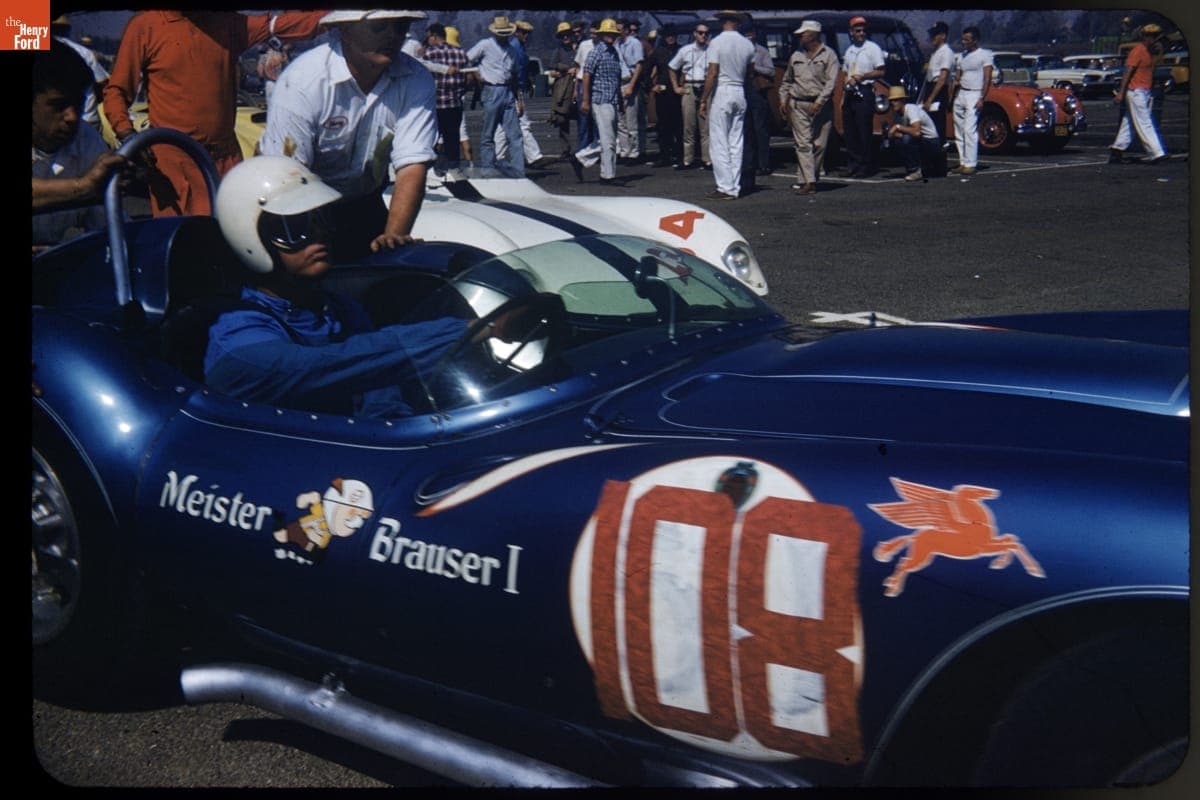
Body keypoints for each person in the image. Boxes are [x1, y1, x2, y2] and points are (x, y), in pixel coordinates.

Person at [204, 156, 538, 419]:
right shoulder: (238, 341)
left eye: (321, 220)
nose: (318, 235)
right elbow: (334, 364)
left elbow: (378, 395)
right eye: (294, 228)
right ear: (251, 239)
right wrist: (476, 330)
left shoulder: (334, 308)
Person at [103, 9, 327, 217]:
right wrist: (129, 136)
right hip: (173, 169)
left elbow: (280, 24)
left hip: (226, 162)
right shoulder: (146, 25)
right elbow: (116, 92)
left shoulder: (227, 22)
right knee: (181, 238)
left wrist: (338, 17)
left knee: (235, 234)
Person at [259, 10, 437, 262]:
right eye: (379, 26)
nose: (392, 35)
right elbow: (287, 176)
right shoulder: (303, 81)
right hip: (300, 204)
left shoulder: (416, 78)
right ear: (345, 29)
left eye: (400, 26)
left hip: (365, 202)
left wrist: (393, 237)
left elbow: (412, 165)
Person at [32, 43, 129, 252]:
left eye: (78, 104)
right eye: (59, 105)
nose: (72, 117)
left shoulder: (86, 140)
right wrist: (84, 188)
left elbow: (111, 227)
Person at [699, 10, 755, 200]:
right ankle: (734, 185)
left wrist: (703, 99)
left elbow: (712, 73)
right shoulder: (747, 44)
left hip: (723, 90)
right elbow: (750, 72)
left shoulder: (717, 42)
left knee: (719, 141)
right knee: (735, 141)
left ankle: (725, 187)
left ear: (724, 22)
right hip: (740, 90)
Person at [779, 19, 838, 196]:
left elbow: (831, 83)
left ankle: (808, 178)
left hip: (821, 105)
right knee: (803, 143)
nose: (800, 37)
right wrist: (783, 100)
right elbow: (787, 81)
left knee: (819, 144)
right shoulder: (796, 55)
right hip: (798, 103)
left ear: (813, 35)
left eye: (803, 33)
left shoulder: (829, 55)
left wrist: (819, 102)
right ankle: (809, 182)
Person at [466, 16, 525, 178]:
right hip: (491, 90)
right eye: (501, 33)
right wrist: (476, 74)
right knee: (488, 134)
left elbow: (514, 76)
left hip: (507, 91)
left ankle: (519, 171)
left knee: (515, 135)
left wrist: (519, 99)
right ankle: (487, 169)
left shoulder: (512, 51)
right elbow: (467, 59)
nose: (504, 36)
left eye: (506, 33)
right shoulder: (485, 45)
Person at [566, 18, 623, 184]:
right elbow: (586, 75)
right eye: (608, 33)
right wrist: (585, 100)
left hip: (612, 99)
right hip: (600, 99)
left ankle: (581, 158)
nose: (611, 37)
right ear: (601, 34)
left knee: (611, 139)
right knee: (608, 140)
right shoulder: (596, 52)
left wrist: (619, 99)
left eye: (613, 34)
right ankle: (607, 175)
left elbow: (616, 78)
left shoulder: (614, 53)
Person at [495, 20, 555, 169]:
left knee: (505, 126)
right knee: (522, 124)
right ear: (516, 32)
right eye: (523, 32)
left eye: (528, 33)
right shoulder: (515, 49)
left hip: (511, 90)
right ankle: (533, 157)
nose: (526, 35)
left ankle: (497, 157)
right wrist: (518, 98)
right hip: (511, 91)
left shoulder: (518, 47)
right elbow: (512, 75)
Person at [1109, 23, 1169, 165]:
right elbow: (1127, 73)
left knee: (1129, 122)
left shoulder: (1149, 52)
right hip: (1135, 91)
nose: (1154, 39)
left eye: (1156, 36)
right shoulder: (1137, 51)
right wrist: (1121, 93)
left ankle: (1117, 150)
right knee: (1145, 122)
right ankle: (1156, 153)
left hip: (1145, 91)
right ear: (1145, 37)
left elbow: (1153, 67)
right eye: (1152, 36)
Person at [839, 15, 886, 178]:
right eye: (857, 30)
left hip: (864, 91)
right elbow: (845, 73)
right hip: (850, 92)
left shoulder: (872, 48)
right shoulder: (849, 50)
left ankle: (866, 166)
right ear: (851, 32)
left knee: (863, 131)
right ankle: (853, 164)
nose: (861, 33)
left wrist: (863, 76)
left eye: (863, 30)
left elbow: (881, 71)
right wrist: (843, 97)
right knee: (849, 131)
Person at [50, 14, 109, 134]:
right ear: (67, 30)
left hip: (53, 122)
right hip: (87, 119)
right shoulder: (85, 53)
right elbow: (104, 84)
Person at [422, 22, 469, 172]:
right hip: (455, 104)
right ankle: (453, 170)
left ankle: (433, 171)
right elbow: (468, 78)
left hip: (435, 104)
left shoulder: (428, 54)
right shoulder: (460, 53)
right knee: (453, 139)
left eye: (429, 37)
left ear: (434, 37)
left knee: (431, 139)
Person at [950, 25, 993, 176]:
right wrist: (953, 93)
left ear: (975, 40)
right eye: (963, 39)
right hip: (961, 93)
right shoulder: (961, 56)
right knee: (959, 130)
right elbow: (958, 77)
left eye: (967, 40)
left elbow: (987, 78)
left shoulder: (985, 55)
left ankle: (971, 163)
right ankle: (963, 161)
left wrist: (982, 97)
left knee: (969, 129)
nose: (964, 42)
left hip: (975, 94)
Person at [669, 21, 712, 170]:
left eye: (706, 33)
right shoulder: (685, 50)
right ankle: (688, 159)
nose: (703, 35)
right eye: (700, 33)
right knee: (689, 125)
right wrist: (676, 87)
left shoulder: (712, 50)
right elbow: (672, 67)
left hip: (705, 86)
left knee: (706, 126)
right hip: (689, 86)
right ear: (695, 34)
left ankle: (707, 159)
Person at [883, 85, 945, 182]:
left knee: (906, 139)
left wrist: (897, 127)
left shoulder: (911, 109)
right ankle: (912, 168)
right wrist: (891, 135)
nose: (893, 103)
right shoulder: (897, 114)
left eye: (896, 100)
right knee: (899, 141)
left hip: (931, 142)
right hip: (921, 141)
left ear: (903, 101)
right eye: (891, 101)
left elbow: (916, 132)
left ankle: (916, 170)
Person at [647, 28, 682, 167]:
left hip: (678, 91)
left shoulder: (681, 50)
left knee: (679, 126)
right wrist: (651, 86)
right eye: (668, 36)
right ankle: (664, 156)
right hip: (663, 91)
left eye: (673, 35)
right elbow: (646, 69)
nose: (671, 38)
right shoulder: (658, 52)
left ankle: (680, 156)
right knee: (663, 126)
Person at [744, 22, 775, 178]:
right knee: (746, 130)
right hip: (742, 91)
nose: (748, 37)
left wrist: (755, 68)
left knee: (760, 129)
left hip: (757, 92)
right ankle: (749, 163)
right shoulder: (739, 51)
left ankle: (764, 164)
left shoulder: (762, 51)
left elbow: (771, 70)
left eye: (750, 34)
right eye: (746, 34)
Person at [616, 19, 646, 162]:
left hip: (630, 82)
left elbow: (639, 65)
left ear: (626, 30)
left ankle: (635, 152)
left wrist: (631, 86)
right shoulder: (616, 44)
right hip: (618, 83)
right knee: (620, 121)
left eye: (619, 30)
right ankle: (624, 151)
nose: (617, 32)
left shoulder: (634, 43)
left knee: (631, 121)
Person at [548, 21, 579, 157]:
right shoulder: (558, 51)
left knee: (581, 117)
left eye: (567, 34)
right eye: (562, 36)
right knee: (562, 118)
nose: (565, 37)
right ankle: (565, 149)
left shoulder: (578, 49)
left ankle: (584, 147)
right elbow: (551, 71)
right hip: (563, 88)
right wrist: (566, 71)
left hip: (578, 85)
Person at [921, 21, 954, 145]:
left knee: (938, 125)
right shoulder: (936, 52)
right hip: (930, 87)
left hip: (938, 91)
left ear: (943, 36)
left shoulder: (946, 52)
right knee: (929, 125)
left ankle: (939, 152)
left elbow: (942, 78)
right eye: (932, 34)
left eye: (935, 35)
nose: (932, 37)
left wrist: (930, 99)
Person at [257, 39, 291, 105]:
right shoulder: (282, 55)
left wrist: (261, 80)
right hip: (281, 83)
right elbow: (288, 67)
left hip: (269, 82)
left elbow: (259, 70)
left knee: (270, 104)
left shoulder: (264, 55)